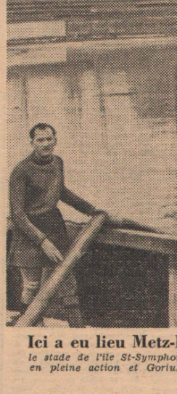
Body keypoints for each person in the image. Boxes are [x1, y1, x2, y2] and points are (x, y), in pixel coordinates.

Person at [8, 123, 121, 327]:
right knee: (32, 285)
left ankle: (76, 328)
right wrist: (42, 242)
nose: (45, 144)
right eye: (40, 140)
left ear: (55, 141)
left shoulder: (58, 162)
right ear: (32, 143)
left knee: (67, 282)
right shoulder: (21, 171)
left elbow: (62, 192)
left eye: (49, 139)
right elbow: (17, 214)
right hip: (29, 232)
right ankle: (29, 323)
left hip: (55, 228)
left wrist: (91, 209)